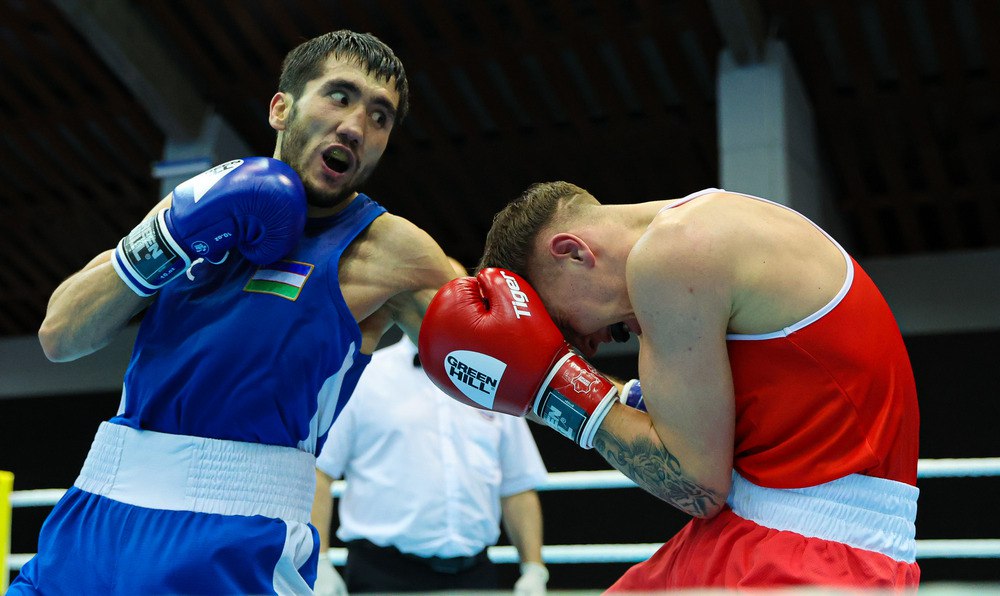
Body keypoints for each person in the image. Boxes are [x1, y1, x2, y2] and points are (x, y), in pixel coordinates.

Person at [13, 30, 456, 595]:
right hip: (90, 522)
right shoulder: (199, 200)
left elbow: (506, 364)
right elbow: (60, 335)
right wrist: (170, 237)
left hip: (235, 541)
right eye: (340, 96)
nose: (355, 126)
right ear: (281, 108)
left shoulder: (391, 250)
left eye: (380, 116)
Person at [418, 184, 920, 590]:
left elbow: (697, 487)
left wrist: (553, 390)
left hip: (816, 551)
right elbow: (691, 427)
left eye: (564, 327)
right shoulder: (702, 222)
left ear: (572, 252)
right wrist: (557, 387)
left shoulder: (671, 254)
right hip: (765, 523)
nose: (584, 348)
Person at [311, 310, 549, 594]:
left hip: (475, 575)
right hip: (382, 574)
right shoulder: (365, 377)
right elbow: (320, 472)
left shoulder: (493, 384)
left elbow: (518, 486)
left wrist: (533, 567)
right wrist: (319, 561)